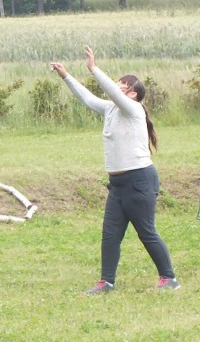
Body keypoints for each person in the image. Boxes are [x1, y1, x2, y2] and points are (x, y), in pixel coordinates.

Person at [50, 45, 180, 294]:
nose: (117, 86)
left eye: (123, 84)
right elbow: (87, 98)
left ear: (133, 94)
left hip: (139, 180)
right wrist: (66, 75)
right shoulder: (110, 109)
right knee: (110, 234)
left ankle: (169, 278)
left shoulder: (134, 109)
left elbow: (110, 90)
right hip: (118, 184)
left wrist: (93, 68)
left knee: (146, 232)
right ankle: (106, 282)